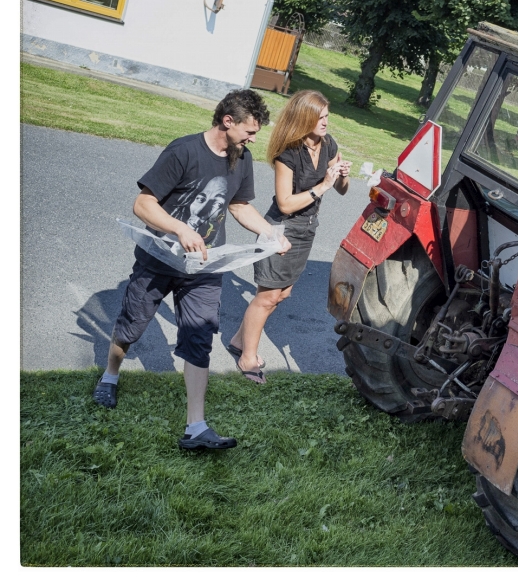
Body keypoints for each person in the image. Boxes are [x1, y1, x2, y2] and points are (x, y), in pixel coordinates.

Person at [93, 89, 291, 450]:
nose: (252, 139)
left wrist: (270, 233)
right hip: (160, 258)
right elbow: (143, 204)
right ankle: (110, 375)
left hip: (204, 265)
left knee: (199, 337)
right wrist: (180, 229)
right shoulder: (183, 151)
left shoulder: (241, 158)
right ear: (227, 122)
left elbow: (239, 205)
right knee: (133, 324)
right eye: (249, 131)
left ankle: (196, 428)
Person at [227, 90, 350, 382]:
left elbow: (343, 190)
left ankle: (238, 340)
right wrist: (322, 186)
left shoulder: (329, 144)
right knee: (268, 296)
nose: (325, 122)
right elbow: (284, 203)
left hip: (307, 229)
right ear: (304, 118)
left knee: (282, 293)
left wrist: (342, 175)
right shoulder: (288, 153)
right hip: (281, 227)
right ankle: (247, 358)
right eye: (319, 117)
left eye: (327, 116)